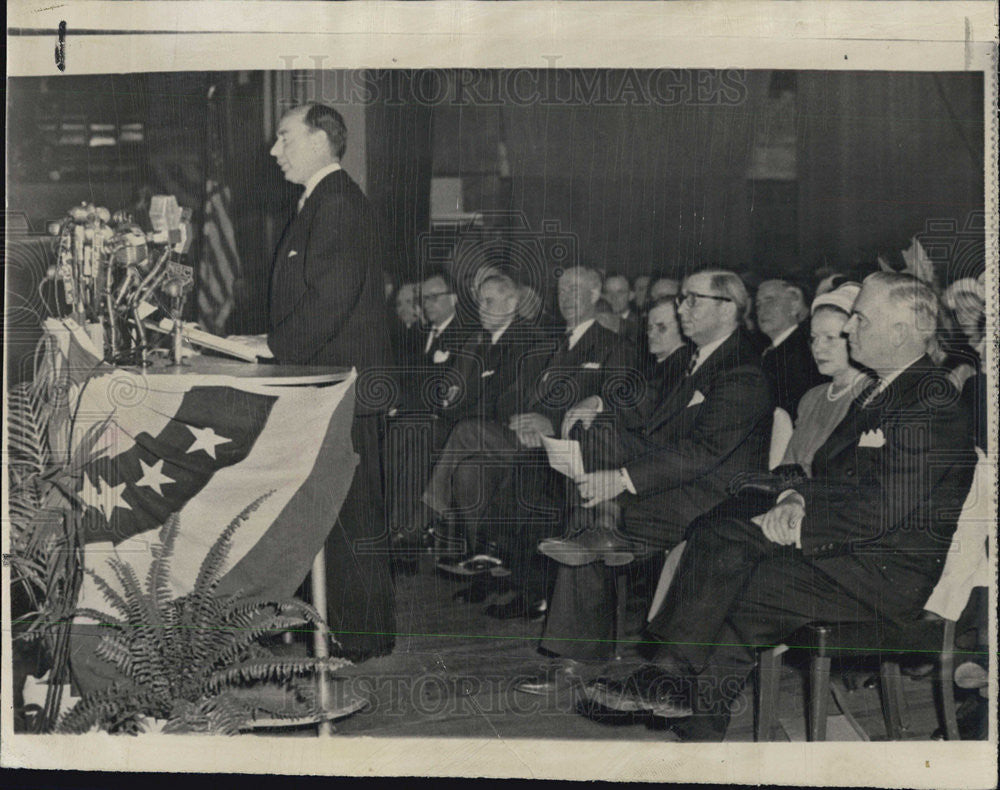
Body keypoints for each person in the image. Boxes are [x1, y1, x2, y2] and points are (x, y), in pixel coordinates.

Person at [583, 272, 977, 742]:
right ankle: (684, 700)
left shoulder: (930, 402)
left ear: (901, 330)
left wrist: (795, 524)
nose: (850, 329)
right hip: (846, 554)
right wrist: (793, 497)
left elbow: (885, 508)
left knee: (731, 570)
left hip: (884, 575)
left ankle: (679, 690)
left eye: (860, 319)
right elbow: (832, 478)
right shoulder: (885, 390)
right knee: (725, 542)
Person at [516, 270, 773, 689]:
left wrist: (621, 479)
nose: (681, 307)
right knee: (596, 434)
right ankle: (603, 527)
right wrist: (597, 401)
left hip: (711, 499)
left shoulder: (744, 372)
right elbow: (647, 407)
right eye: (682, 299)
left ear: (728, 309)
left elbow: (702, 453)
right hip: (675, 481)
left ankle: (579, 653)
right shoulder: (695, 358)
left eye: (693, 300)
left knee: (588, 514)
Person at [422, 267, 631, 616]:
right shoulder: (557, 343)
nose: (565, 298)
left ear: (595, 295)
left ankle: (435, 516)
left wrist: (547, 420)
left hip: (575, 447)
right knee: (472, 470)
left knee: (467, 433)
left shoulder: (611, 345)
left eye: (574, 290)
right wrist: (528, 418)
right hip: (533, 440)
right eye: (561, 290)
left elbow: (617, 401)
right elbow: (527, 395)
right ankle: (490, 565)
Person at [267, 102, 395, 661]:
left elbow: (330, 302)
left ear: (321, 140)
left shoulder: (337, 202)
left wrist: (273, 352)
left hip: (345, 388)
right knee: (339, 512)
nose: (275, 150)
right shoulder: (322, 201)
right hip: (329, 382)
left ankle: (361, 638)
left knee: (352, 514)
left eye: (284, 137)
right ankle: (343, 627)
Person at [777, 281, 870, 472]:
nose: (817, 348)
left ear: (857, 336)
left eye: (830, 338)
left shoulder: (873, 395)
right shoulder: (812, 398)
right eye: (814, 338)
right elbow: (788, 468)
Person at [755, 278, 825, 420]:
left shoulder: (803, 351)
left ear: (794, 305)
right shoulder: (771, 350)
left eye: (770, 300)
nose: (762, 310)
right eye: (758, 304)